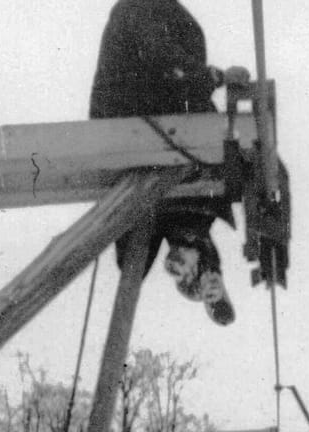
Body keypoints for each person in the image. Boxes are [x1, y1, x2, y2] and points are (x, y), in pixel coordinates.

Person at [90, 0, 235, 325]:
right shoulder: (140, 8)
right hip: (139, 123)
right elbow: (167, 64)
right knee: (203, 175)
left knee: (157, 220)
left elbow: (174, 69)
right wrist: (214, 76)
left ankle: (195, 257)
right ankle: (195, 257)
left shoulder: (163, 13)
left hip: (154, 126)